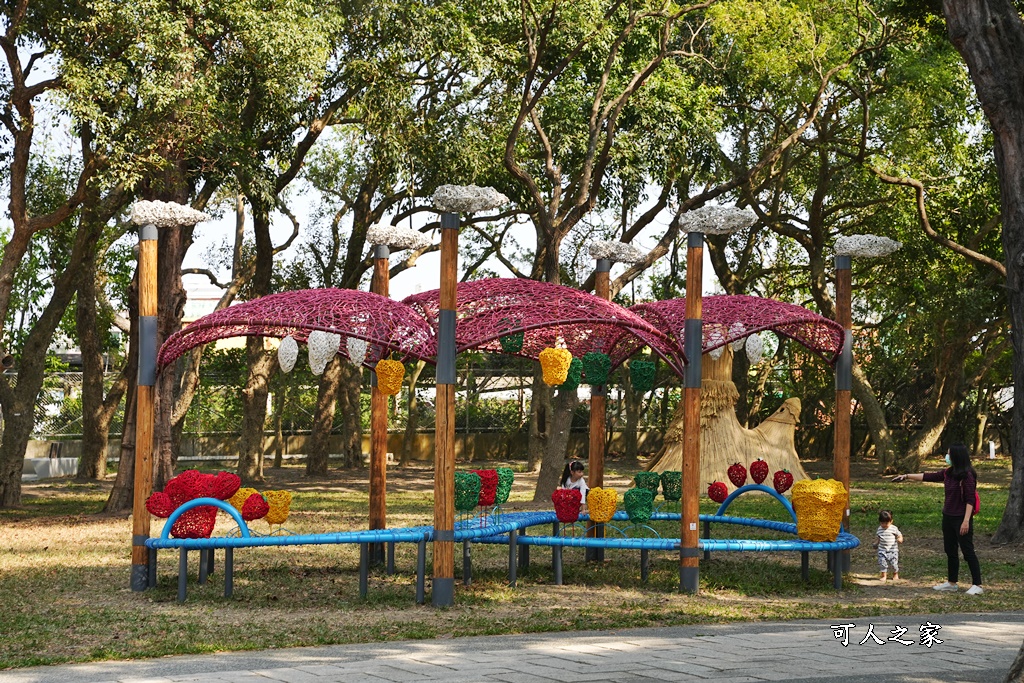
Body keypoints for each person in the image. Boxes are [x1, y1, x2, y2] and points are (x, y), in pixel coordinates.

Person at [892, 443, 983, 594]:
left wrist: (966, 520)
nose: (946, 457)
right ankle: (952, 583)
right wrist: (907, 476)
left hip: (961, 518)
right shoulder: (949, 472)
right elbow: (929, 476)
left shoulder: (967, 475)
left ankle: (977, 585)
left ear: (957, 456)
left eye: (949, 454)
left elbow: (970, 500)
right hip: (948, 516)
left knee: (968, 551)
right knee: (950, 550)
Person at [872, 510, 903, 582]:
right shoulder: (879, 529)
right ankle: (884, 575)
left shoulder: (893, 528)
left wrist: (900, 539)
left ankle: (895, 574)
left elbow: (899, 535)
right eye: (882, 523)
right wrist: (876, 544)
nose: (884, 525)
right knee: (882, 563)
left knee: (894, 564)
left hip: (893, 550)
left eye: (886, 523)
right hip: (882, 550)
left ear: (891, 521)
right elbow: (878, 538)